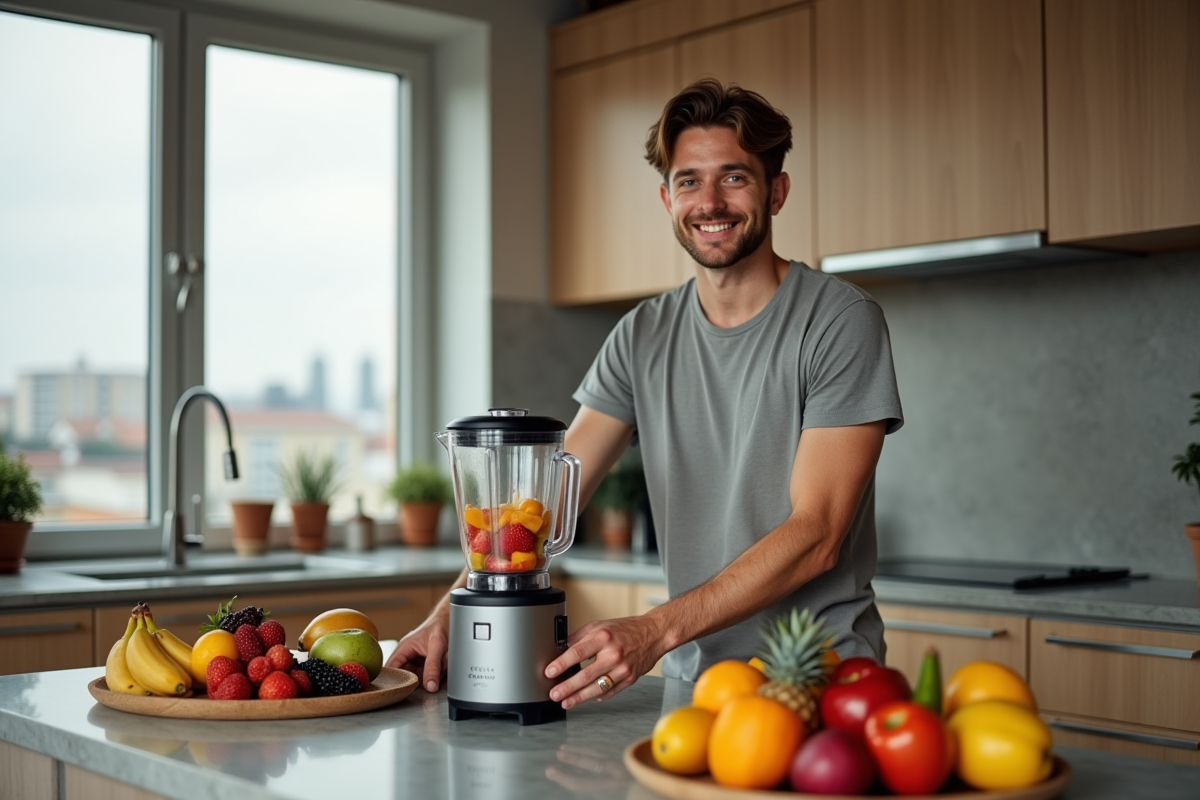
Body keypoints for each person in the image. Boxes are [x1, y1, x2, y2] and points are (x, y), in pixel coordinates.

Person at [386, 78, 903, 711]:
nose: (709, 202)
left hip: (823, 686)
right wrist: (452, 610)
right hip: (696, 689)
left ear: (777, 191)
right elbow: (551, 500)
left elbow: (817, 532)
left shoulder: (839, 321)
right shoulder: (642, 335)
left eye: (734, 177)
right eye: (689, 181)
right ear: (667, 199)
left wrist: (654, 629)